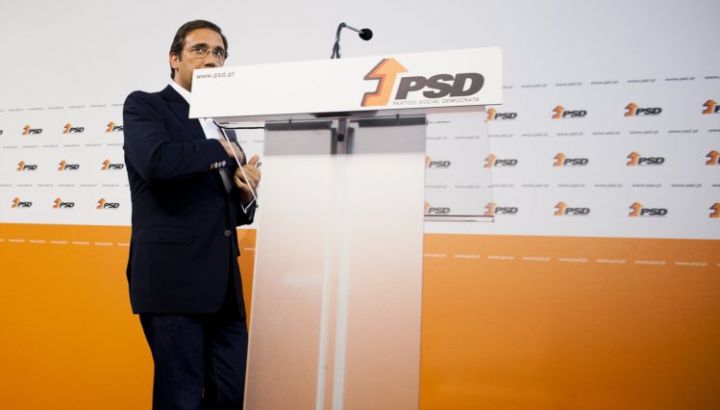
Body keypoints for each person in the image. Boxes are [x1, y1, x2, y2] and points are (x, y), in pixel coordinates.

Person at [122, 20, 260, 409]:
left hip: (224, 288)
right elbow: (156, 162)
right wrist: (220, 149)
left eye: (219, 53)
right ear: (174, 59)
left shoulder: (223, 127)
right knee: (181, 398)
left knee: (232, 394)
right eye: (199, 50)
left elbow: (226, 211)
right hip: (172, 281)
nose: (211, 59)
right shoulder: (145, 105)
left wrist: (245, 194)